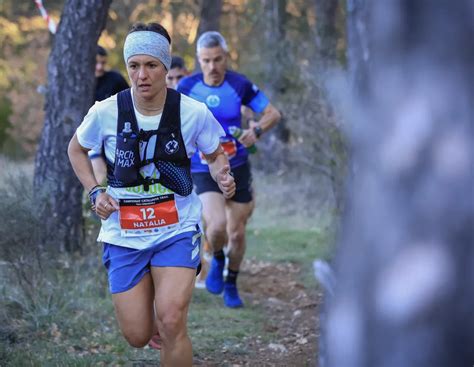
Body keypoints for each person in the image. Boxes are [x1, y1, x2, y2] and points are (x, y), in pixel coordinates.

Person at [68, 22, 235, 366]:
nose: (142, 75)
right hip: (124, 233)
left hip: (176, 227)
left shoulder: (192, 112)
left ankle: (173, 301)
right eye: (134, 66)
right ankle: (159, 311)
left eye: (151, 65)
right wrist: (95, 191)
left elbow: (215, 152)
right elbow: (76, 149)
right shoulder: (106, 111)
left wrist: (222, 174)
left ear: (165, 66)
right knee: (137, 335)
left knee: (172, 321)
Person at [177, 31, 281, 308]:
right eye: (206, 60)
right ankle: (219, 257)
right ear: (199, 60)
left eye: (217, 59)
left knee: (237, 233)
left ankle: (232, 282)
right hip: (204, 166)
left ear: (226, 57)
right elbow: (168, 120)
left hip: (237, 165)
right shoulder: (187, 86)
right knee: (216, 227)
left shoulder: (239, 84)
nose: (212, 67)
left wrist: (256, 130)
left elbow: (273, 113)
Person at [91, 46, 130, 183]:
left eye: (103, 63)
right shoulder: (80, 83)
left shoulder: (115, 79)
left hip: (114, 130)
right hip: (91, 132)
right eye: (96, 63)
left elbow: (130, 100)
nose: (100, 67)